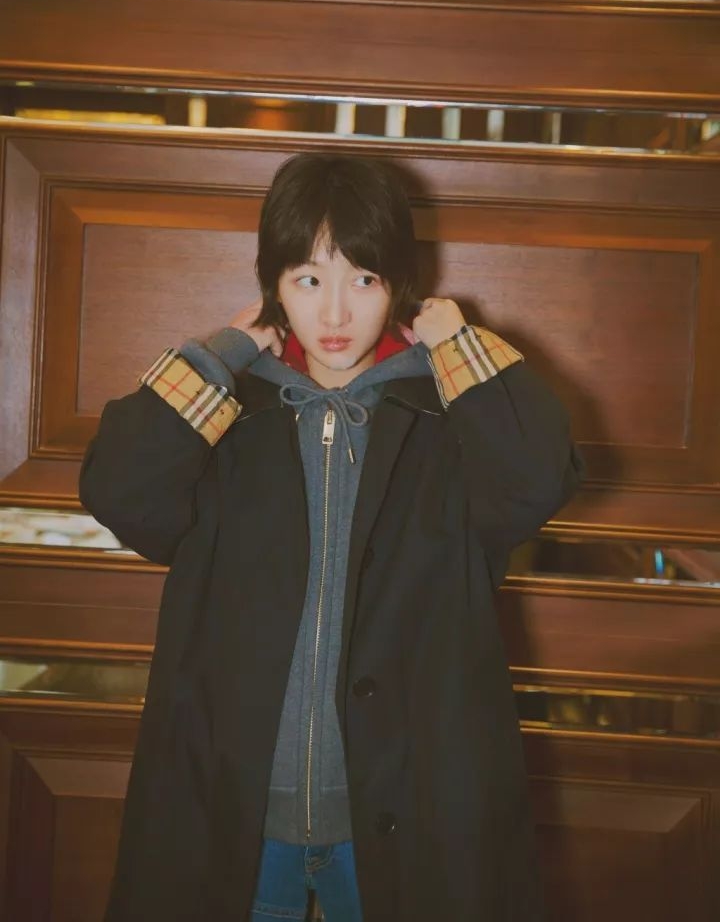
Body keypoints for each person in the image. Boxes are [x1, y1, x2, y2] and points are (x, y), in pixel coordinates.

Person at [79, 152, 583, 922]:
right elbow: (118, 490)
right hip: (237, 811)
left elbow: (537, 480)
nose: (337, 314)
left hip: (403, 810)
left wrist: (460, 350)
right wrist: (215, 359)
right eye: (309, 279)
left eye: (364, 279)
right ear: (273, 286)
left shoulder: (445, 428)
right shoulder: (229, 422)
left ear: (399, 285)